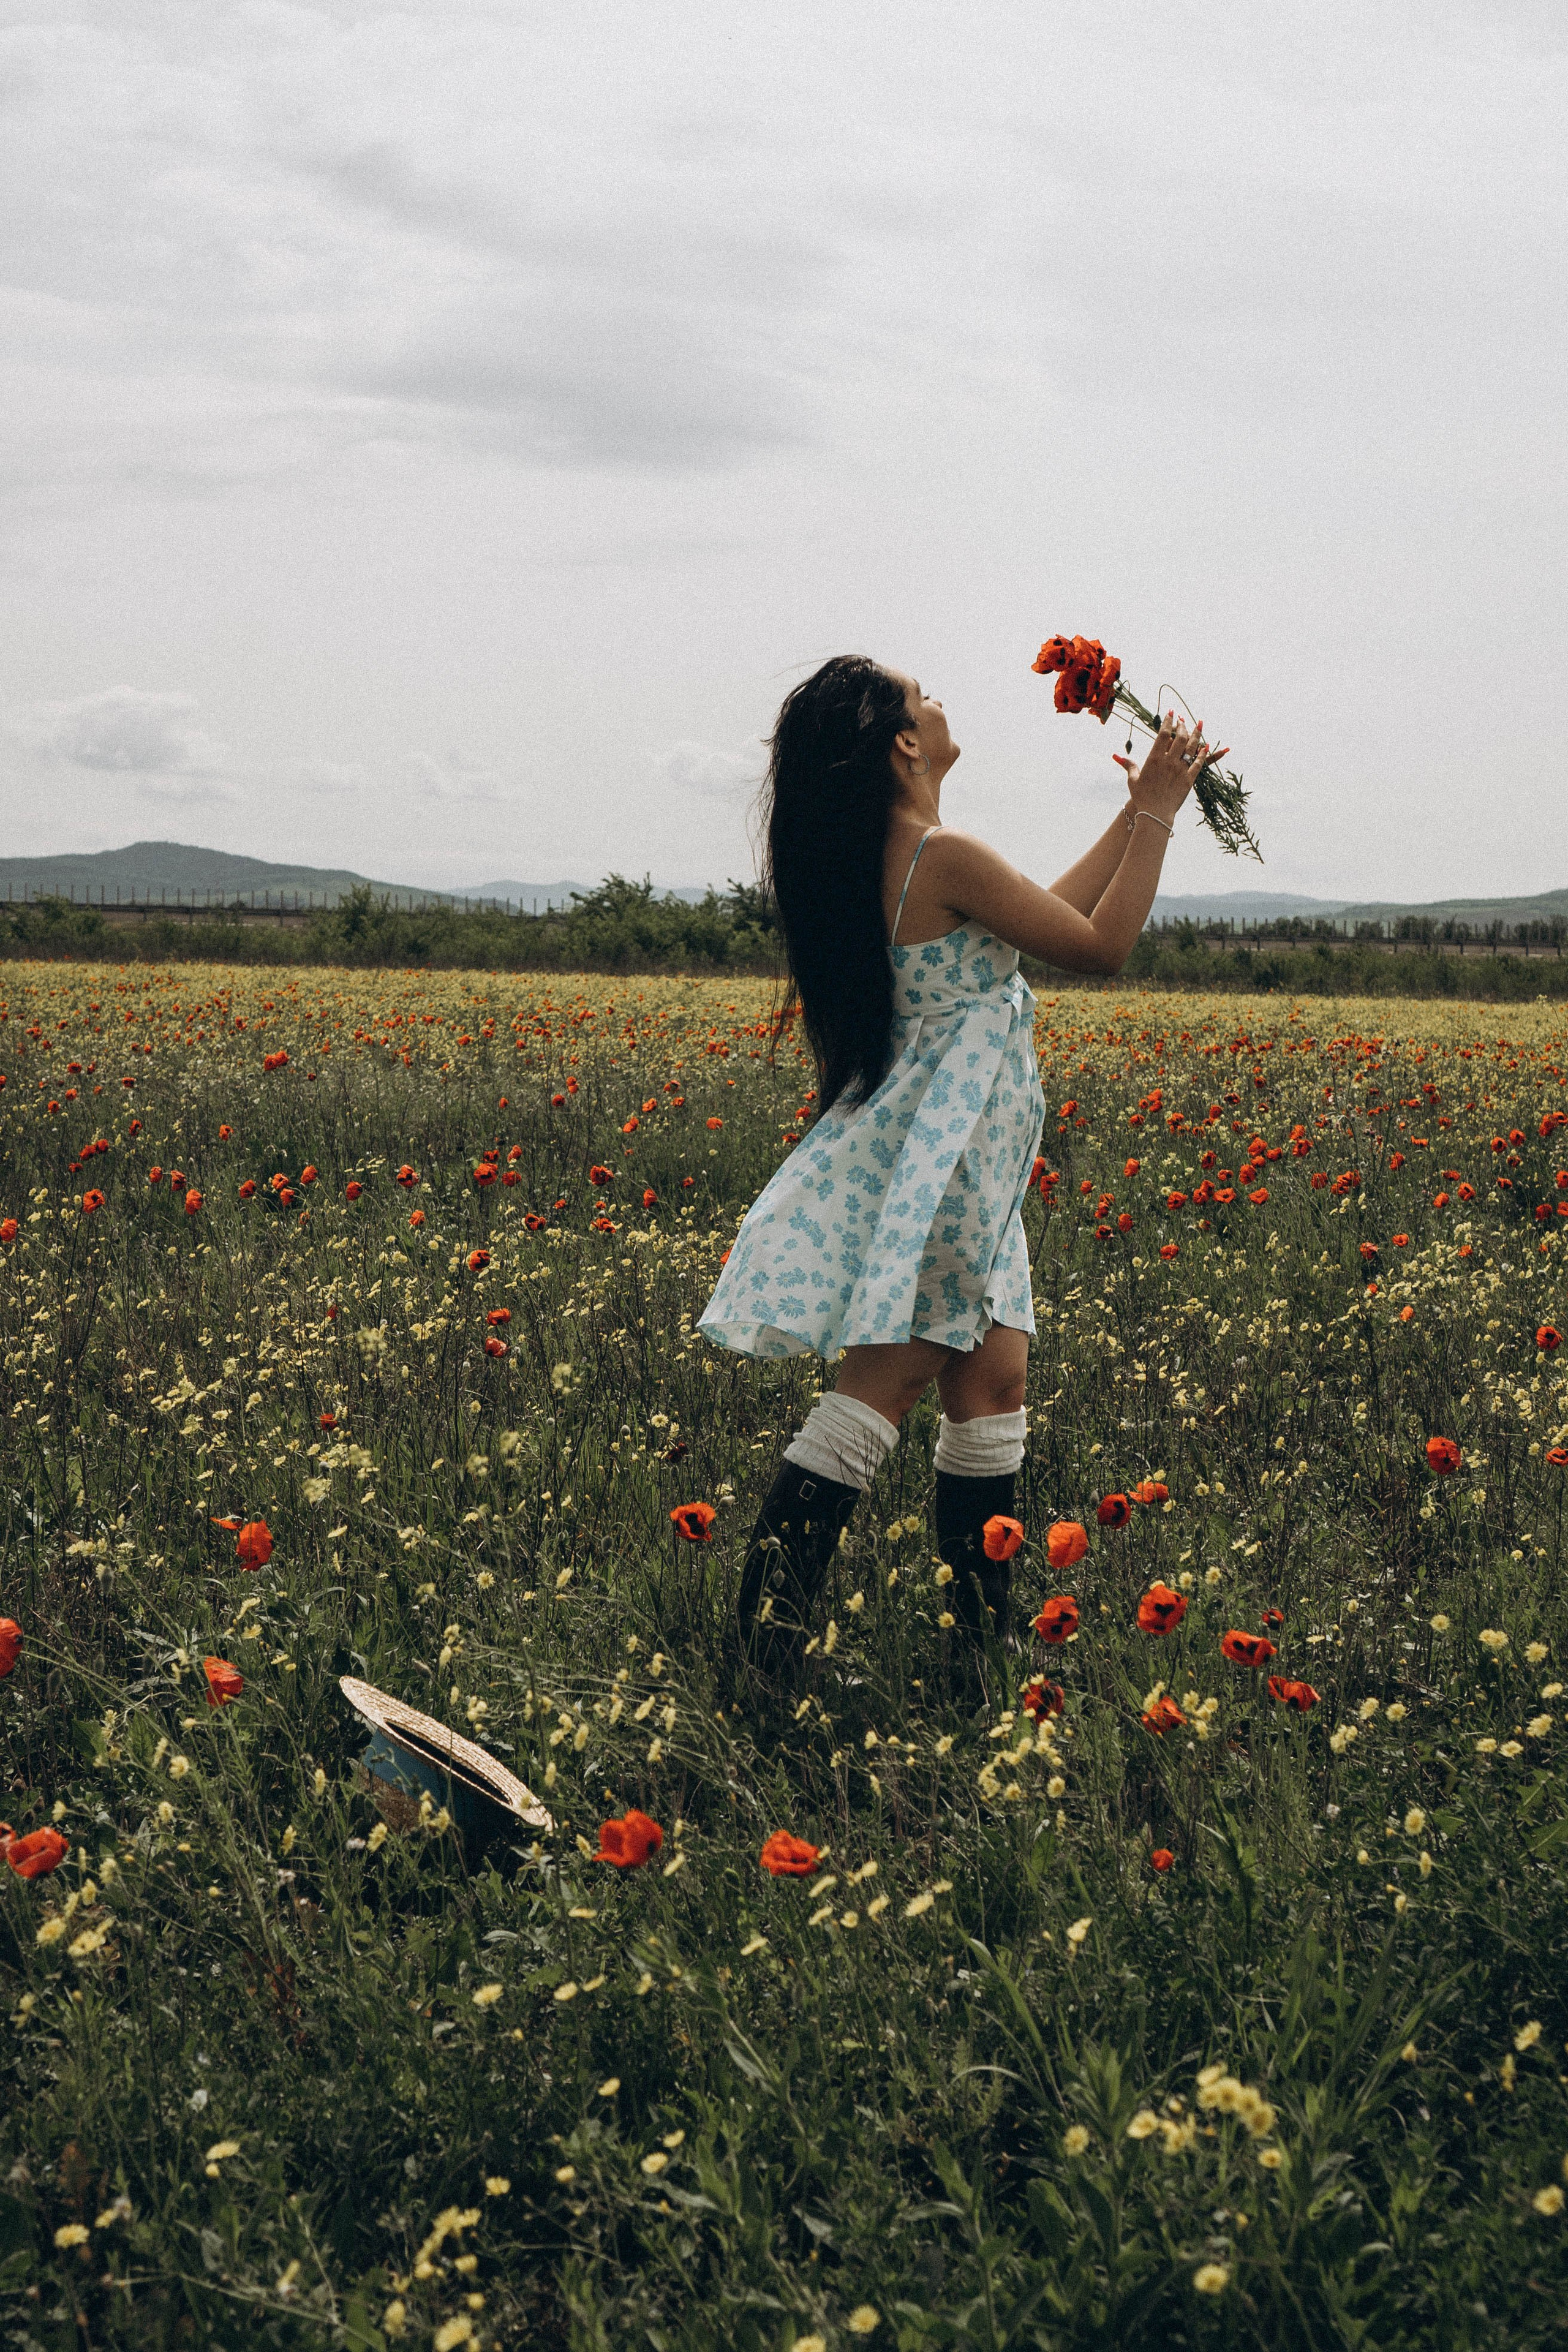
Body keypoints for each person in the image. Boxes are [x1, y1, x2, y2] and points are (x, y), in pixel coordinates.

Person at [698, 654, 1209, 1675]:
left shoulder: (909, 856)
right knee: (882, 1389)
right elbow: (1100, 947)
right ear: (902, 742)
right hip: (947, 1170)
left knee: (994, 1383)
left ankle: (974, 1647)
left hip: (967, 1169)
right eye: (921, 696)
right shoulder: (938, 854)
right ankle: (763, 1651)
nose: (938, 703)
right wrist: (1158, 814)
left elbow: (1038, 922)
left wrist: (1135, 813)